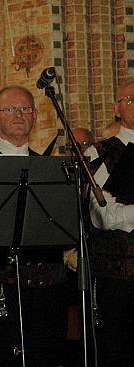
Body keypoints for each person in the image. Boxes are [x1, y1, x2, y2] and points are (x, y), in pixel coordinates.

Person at [0, 85, 70, 367]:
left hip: (45, 293)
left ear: (35, 116)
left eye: (25, 108)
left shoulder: (53, 169)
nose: (18, 114)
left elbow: (64, 229)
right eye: (9, 109)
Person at [85, 79, 134, 366]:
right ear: (117, 108)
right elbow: (102, 215)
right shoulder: (99, 152)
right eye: (131, 100)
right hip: (119, 277)